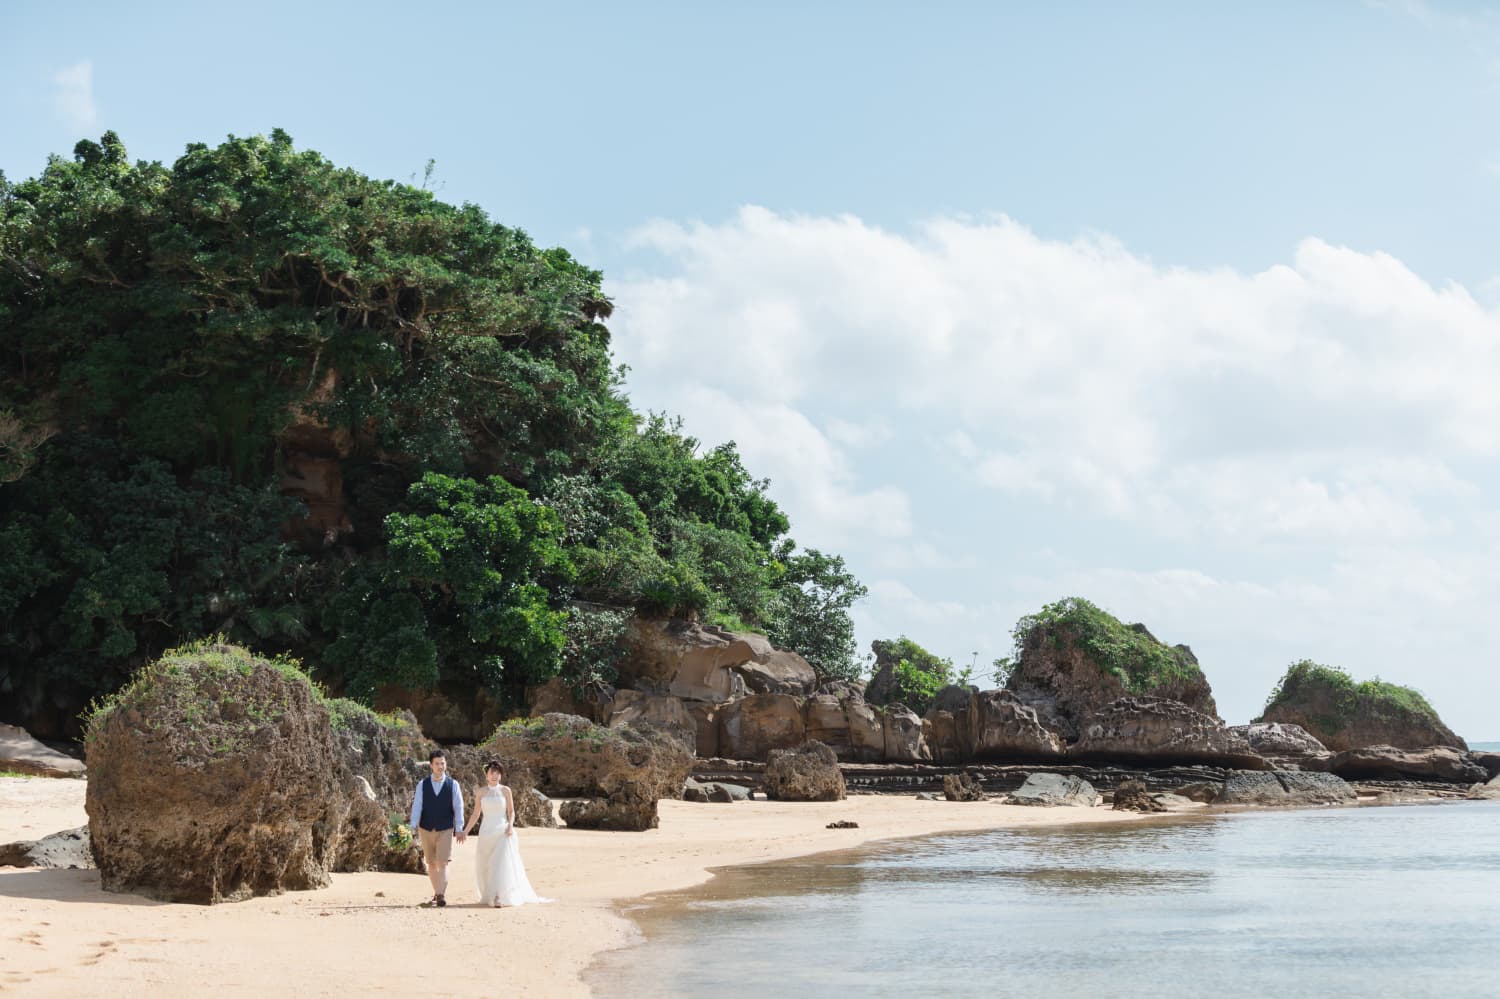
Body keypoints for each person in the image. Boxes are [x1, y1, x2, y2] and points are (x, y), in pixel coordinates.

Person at [461, 760, 550, 908]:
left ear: (500, 775)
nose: (494, 776)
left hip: (502, 830)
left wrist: (510, 825)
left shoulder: (505, 790)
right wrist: (466, 831)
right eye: (492, 773)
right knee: (486, 864)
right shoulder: (481, 792)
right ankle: (490, 893)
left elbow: (511, 811)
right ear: (486, 775)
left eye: (497, 773)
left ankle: (498, 896)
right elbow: (476, 814)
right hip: (486, 832)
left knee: (500, 863)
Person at [409, 749, 466, 908]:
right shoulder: (422, 784)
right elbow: (417, 805)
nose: (440, 766)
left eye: (443, 763)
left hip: (445, 828)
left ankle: (440, 894)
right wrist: (413, 825)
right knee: (431, 863)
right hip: (425, 828)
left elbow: (458, 807)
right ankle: (437, 892)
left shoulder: (453, 784)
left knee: (443, 862)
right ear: (431, 765)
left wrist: (459, 828)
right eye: (437, 764)